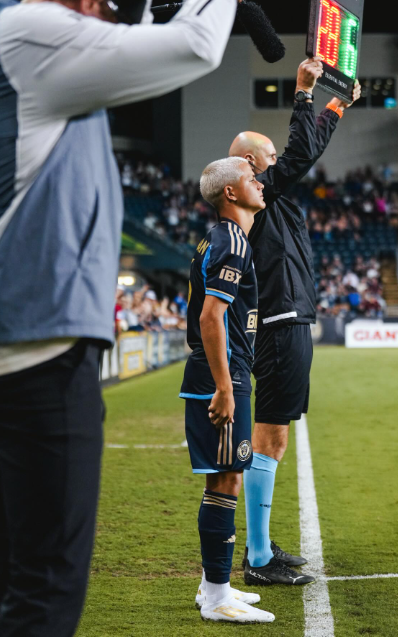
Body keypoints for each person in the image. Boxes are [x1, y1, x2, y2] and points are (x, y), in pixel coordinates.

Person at [0, 0, 240, 634]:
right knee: (42, 592)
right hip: (33, 357)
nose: (108, 13)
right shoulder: (28, 33)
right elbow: (197, 45)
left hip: (26, 343)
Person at [229, 58, 361, 585]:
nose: (276, 160)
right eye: (268, 156)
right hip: (279, 322)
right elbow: (303, 152)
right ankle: (258, 558)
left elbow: (303, 152)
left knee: (274, 438)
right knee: (270, 437)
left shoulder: (265, 197)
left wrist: (336, 105)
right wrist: (307, 95)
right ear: (248, 165)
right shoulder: (254, 196)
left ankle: (261, 550)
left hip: (286, 320)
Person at [179, 157, 274, 623]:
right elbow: (209, 316)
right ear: (231, 193)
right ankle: (217, 597)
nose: (260, 183)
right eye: (252, 178)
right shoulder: (231, 241)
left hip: (224, 370)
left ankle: (211, 586)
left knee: (227, 476)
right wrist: (224, 387)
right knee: (225, 479)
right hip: (223, 374)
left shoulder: (220, 239)